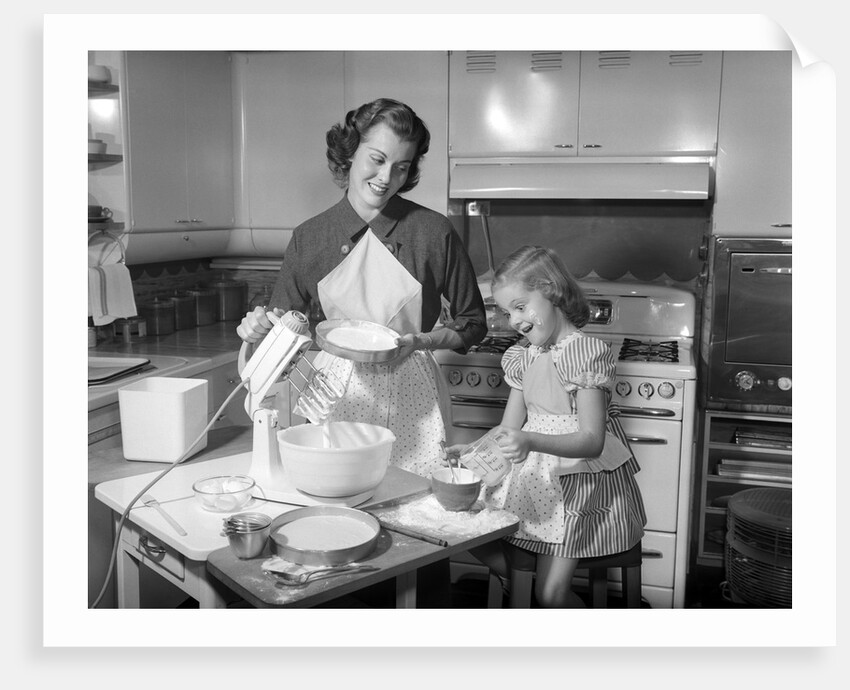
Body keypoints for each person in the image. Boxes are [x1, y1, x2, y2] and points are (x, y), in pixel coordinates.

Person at [237, 97, 487, 477]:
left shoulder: (433, 233)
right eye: (377, 159)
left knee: (415, 501)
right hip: (333, 394)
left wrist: (421, 341)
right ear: (350, 152)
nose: (387, 177)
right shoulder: (311, 237)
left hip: (413, 393)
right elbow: (282, 330)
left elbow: (472, 323)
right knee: (340, 497)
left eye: (402, 167)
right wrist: (258, 330)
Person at [450, 245, 646, 608]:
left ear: (552, 290)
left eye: (521, 307)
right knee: (460, 530)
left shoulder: (585, 352)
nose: (514, 320)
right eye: (507, 312)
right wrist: (474, 451)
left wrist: (529, 440)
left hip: (578, 488)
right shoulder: (524, 356)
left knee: (550, 594)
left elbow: (591, 441)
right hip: (533, 482)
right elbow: (508, 429)